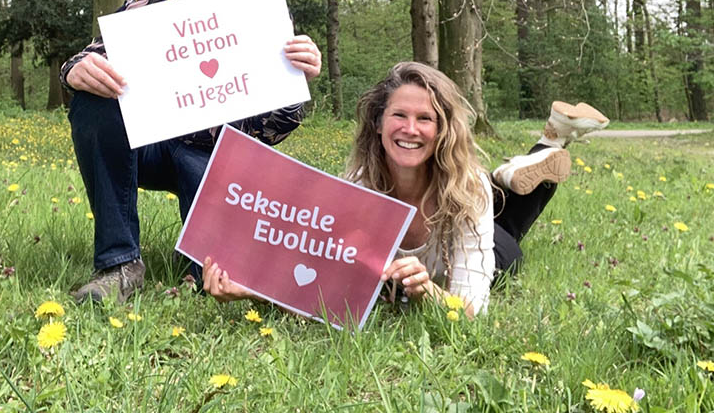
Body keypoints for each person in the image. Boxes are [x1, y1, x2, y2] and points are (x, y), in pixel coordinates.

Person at [61, 0, 322, 303]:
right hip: (145, 146)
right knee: (94, 100)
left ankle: (195, 265)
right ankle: (120, 264)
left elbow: (272, 133)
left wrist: (297, 82)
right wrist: (75, 70)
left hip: (211, 159)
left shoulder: (270, 15)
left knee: (214, 280)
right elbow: (97, 53)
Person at [202, 62, 609, 316]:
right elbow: (322, 285)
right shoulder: (355, 193)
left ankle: (528, 161)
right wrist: (252, 288)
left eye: (425, 119)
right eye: (398, 115)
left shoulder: (468, 193)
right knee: (499, 215)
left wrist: (428, 292)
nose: (410, 129)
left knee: (510, 248)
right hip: (462, 198)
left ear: (443, 129)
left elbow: (473, 310)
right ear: (378, 123)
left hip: (465, 211)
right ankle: (539, 150)